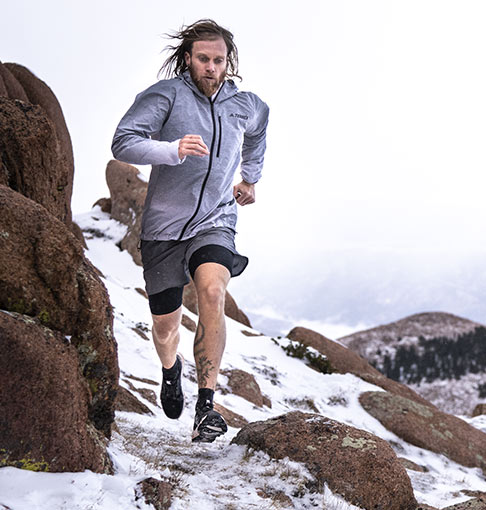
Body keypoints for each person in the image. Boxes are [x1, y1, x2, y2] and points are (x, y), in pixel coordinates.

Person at [111, 19, 268, 443]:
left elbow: (257, 132)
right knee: (166, 327)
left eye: (218, 60)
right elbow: (123, 142)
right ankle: (170, 369)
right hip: (163, 229)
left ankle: (207, 407)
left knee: (214, 292)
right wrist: (171, 149)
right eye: (203, 59)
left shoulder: (245, 104)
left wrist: (249, 178)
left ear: (227, 61)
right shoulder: (166, 95)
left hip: (215, 221)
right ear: (188, 58)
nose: (211, 67)